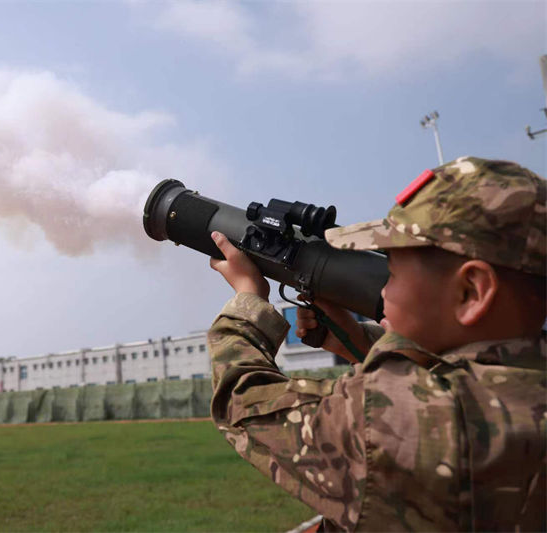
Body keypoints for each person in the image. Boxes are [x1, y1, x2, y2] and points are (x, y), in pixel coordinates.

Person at [206, 156, 545, 531]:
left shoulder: (411, 420)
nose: (383, 292)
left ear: (472, 291)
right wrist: (355, 340)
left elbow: (244, 403)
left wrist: (248, 299)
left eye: (392, 273)